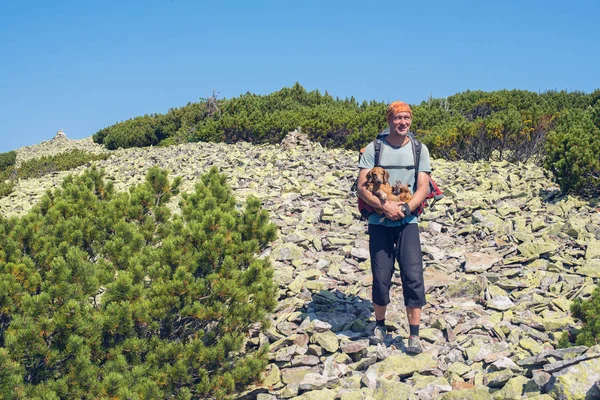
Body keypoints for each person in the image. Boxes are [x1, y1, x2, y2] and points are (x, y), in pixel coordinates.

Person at [356, 101, 431, 354]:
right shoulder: (373, 149)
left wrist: (407, 209)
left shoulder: (420, 150)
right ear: (389, 120)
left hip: (408, 220)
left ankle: (414, 335)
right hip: (379, 220)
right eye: (398, 118)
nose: (403, 123)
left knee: (412, 275)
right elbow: (361, 187)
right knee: (381, 274)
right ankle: (379, 325)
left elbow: (423, 187)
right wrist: (384, 206)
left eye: (406, 118)